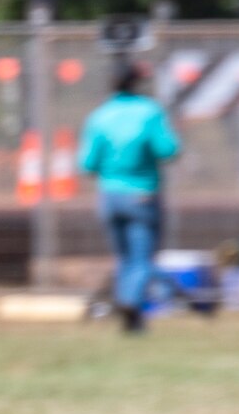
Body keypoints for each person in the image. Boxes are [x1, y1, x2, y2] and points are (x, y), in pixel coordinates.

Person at [75, 56, 182, 333]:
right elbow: (168, 150)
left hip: (109, 196)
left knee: (124, 258)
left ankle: (130, 317)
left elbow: (87, 163)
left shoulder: (99, 115)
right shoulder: (148, 112)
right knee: (143, 259)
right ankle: (130, 302)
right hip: (142, 194)